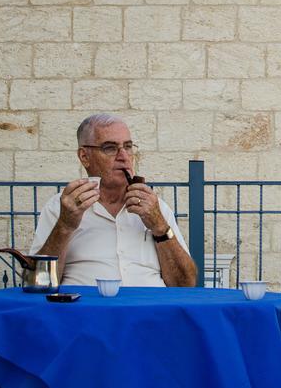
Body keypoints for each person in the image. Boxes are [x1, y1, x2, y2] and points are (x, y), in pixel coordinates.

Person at [29, 113, 197, 287]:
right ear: (84, 156)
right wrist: (64, 226)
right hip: (85, 311)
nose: (124, 156)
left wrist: (160, 226)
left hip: (149, 310)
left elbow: (185, 284)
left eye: (128, 146)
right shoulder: (62, 208)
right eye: (110, 148)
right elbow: (39, 283)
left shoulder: (155, 208)